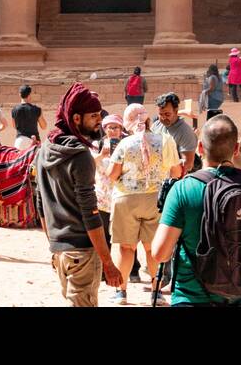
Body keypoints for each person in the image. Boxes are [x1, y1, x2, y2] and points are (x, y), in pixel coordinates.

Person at [151, 114, 241, 307]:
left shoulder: (183, 189)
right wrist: (237, 156)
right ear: (236, 149)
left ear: (200, 148)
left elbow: (160, 254)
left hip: (193, 296)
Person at [36, 82, 123, 307]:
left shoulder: (46, 148)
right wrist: (108, 263)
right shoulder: (80, 156)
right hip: (82, 252)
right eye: (93, 116)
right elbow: (90, 213)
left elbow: (40, 202)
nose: (99, 122)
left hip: (60, 251)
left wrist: (53, 243)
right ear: (76, 118)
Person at [106, 104, 182, 303]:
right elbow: (176, 173)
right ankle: (156, 292)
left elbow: (113, 175)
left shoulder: (123, 144)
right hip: (155, 200)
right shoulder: (166, 141)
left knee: (126, 248)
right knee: (152, 248)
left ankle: (121, 292)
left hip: (126, 199)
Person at [92, 114, 125, 245]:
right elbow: (89, 163)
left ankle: (133, 264)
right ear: (105, 129)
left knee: (126, 236)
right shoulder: (97, 144)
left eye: (116, 127)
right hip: (102, 197)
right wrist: (101, 155)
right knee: (104, 235)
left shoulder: (126, 144)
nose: (113, 130)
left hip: (121, 195)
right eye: (110, 127)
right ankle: (106, 264)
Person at [153, 92, 198, 173]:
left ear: (176, 111)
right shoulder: (156, 125)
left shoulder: (185, 132)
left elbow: (187, 164)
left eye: (167, 114)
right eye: (160, 114)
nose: (163, 117)